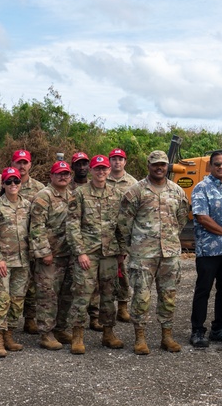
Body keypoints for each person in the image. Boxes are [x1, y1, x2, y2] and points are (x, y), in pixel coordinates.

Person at [118, 151, 191, 354]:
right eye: (155, 164)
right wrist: (131, 247)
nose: (159, 168)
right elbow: (124, 223)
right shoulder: (136, 191)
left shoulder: (177, 192)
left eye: (163, 164)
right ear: (148, 165)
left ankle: (166, 336)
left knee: (168, 296)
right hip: (143, 254)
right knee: (141, 297)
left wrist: (170, 237)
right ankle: (140, 337)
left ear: (167, 166)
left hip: (170, 253)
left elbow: (182, 218)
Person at [66, 155, 128, 354]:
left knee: (109, 294)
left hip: (109, 253)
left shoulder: (117, 194)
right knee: (82, 293)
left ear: (109, 171)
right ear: (91, 171)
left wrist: (122, 251)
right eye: (97, 169)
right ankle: (77, 335)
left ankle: (108, 333)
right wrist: (80, 252)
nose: (101, 172)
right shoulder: (80, 193)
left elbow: (121, 225)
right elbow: (73, 224)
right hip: (88, 253)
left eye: (104, 169)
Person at [189, 150, 222, 348]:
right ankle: (197, 330)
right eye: (217, 164)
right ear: (211, 166)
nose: (221, 168)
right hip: (208, 250)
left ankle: (219, 327)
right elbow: (201, 217)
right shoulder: (201, 188)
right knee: (203, 290)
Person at [0, 167, 32, 358]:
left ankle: (9, 334)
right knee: (0, 300)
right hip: (2, 262)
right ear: (2, 184)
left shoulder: (27, 205)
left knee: (17, 300)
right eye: (9, 182)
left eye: (16, 181)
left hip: (22, 261)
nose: (13, 185)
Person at [29, 160, 75, 350]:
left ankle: (61, 328)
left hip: (68, 253)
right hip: (51, 256)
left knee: (67, 294)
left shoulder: (72, 196)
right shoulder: (44, 196)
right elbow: (36, 227)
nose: (63, 176)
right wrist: (44, 252)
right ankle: (46, 333)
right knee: (48, 295)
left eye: (66, 173)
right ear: (51, 176)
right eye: (59, 173)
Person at [10, 149, 44, 334]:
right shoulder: (6, 183)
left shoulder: (39, 188)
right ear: (12, 164)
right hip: (12, 245)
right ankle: (6, 323)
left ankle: (30, 318)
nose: (22, 166)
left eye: (25, 162)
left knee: (32, 284)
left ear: (30, 164)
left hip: (33, 243)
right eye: (18, 162)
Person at [107, 147, 138, 324]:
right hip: (105, 232)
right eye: (114, 159)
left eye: (120, 159)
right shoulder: (102, 178)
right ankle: (102, 308)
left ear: (125, 162)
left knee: (123, 271)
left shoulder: (132, 183)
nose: (117, 162)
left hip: (125, 233)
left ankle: (123, 306)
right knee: (104, 271)